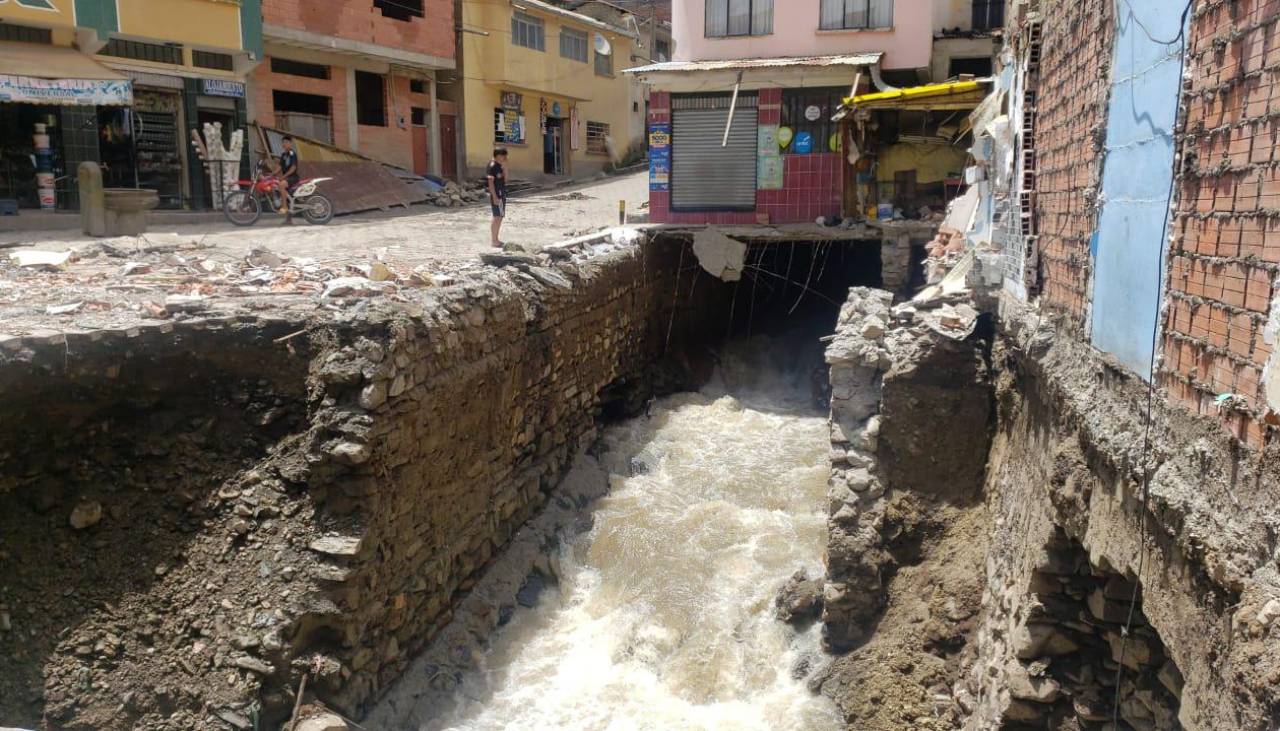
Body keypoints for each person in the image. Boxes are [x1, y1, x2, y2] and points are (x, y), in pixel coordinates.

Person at [486, 147, 509, 248]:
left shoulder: (500, 166)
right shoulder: (492, 166)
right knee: (496, 217)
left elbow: (506, 180)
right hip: (497, 195)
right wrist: (494, 196)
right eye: (504, 156)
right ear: (498, 155)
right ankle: (494, 240)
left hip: (502, 193)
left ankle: (496, 239)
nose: (505, 158)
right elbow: (490, 183)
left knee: (500, 217)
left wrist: (505, 167)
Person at [276, 136, 299, 218]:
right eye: (283, 142)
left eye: (286, 142)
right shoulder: (283, 155)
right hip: (287, 178)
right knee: (275, 184)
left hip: (293, 177)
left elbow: (293, 168)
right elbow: (279, 167)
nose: (284, 144)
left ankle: (284, 207)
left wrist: (283, 176)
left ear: (290, 144)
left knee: (281, 184)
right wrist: (271, 174)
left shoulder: (292, 154)